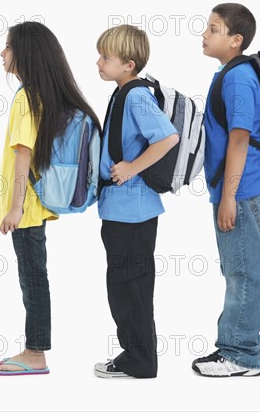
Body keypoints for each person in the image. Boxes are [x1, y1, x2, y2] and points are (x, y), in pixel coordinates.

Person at [0, 22, 100, 376]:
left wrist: (15, 208)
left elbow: (24, 154)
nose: (2, 53)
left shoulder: (26, 96)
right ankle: (33, 349)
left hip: (25, 206)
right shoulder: (41, 94)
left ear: (25, 53)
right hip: (34, 204)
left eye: (7, 47)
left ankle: (35, 353)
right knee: (34, 275)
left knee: (32, 277)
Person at [192, 3, 260, 377]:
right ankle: (232, 346)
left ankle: (242, 356)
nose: (205, 35)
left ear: (235, 40)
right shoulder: (227, 73)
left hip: (241, 188)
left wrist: (229, 196)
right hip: (237, 186)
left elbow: (240, 138)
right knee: (236, 268)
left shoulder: (239, 77)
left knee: (244, 271)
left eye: (213, 29)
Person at [93, 25, 179, 379]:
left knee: (130, 287)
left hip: (132, 211)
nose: (98, 62)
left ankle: (139, 360)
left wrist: (130, 168)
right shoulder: (123, 92)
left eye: (106, 57)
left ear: (128, 64)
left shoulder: (135, 96)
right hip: (123, 209)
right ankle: (135, 355)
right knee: (126, 286)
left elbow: (168, 138)